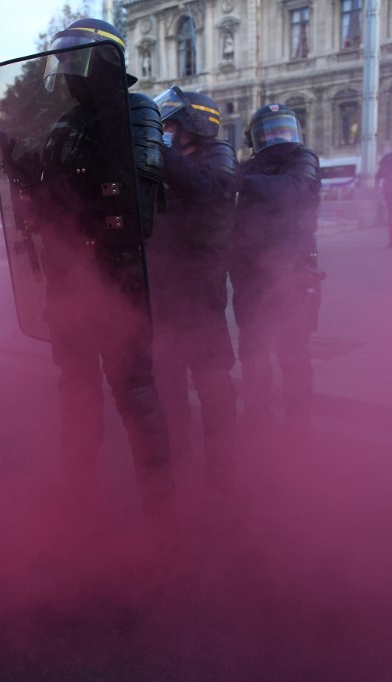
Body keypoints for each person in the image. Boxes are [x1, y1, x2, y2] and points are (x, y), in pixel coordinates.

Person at [0, 18, 174, 517]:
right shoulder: (64, 126)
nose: (68, 71)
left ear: (106, 60)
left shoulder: (136, 112)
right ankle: (80, 490)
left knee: (134, 391)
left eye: (77, 59)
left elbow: (132, 209)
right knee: (74, 388)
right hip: (68, 282)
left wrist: (64, 201)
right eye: (63, 60)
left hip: (116, 281)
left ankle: (160, 509)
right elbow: (45, 206)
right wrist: (18, 172)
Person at [148, 86, 239, 484]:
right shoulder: (169, 160)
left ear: (193, 126)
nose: (163, 131)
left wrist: (160, 151)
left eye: (168, 125)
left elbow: (208, 191)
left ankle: (222, 469)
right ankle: (178, 459)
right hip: (164, 289)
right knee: (167, 380)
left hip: (198, 291)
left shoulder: (217, 156)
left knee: (212, 380)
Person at [232, 103, 323, 431]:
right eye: (268, 132)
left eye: (282, 129)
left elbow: (295, 190)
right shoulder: (246, 167)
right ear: (254, 138)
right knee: (253, 355)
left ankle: (298, 427)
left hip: (292, 274)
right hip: (251, 276)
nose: (277, 138)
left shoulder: (303, 159)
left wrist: (241, 183)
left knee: (293, 353)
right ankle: (258, 424)